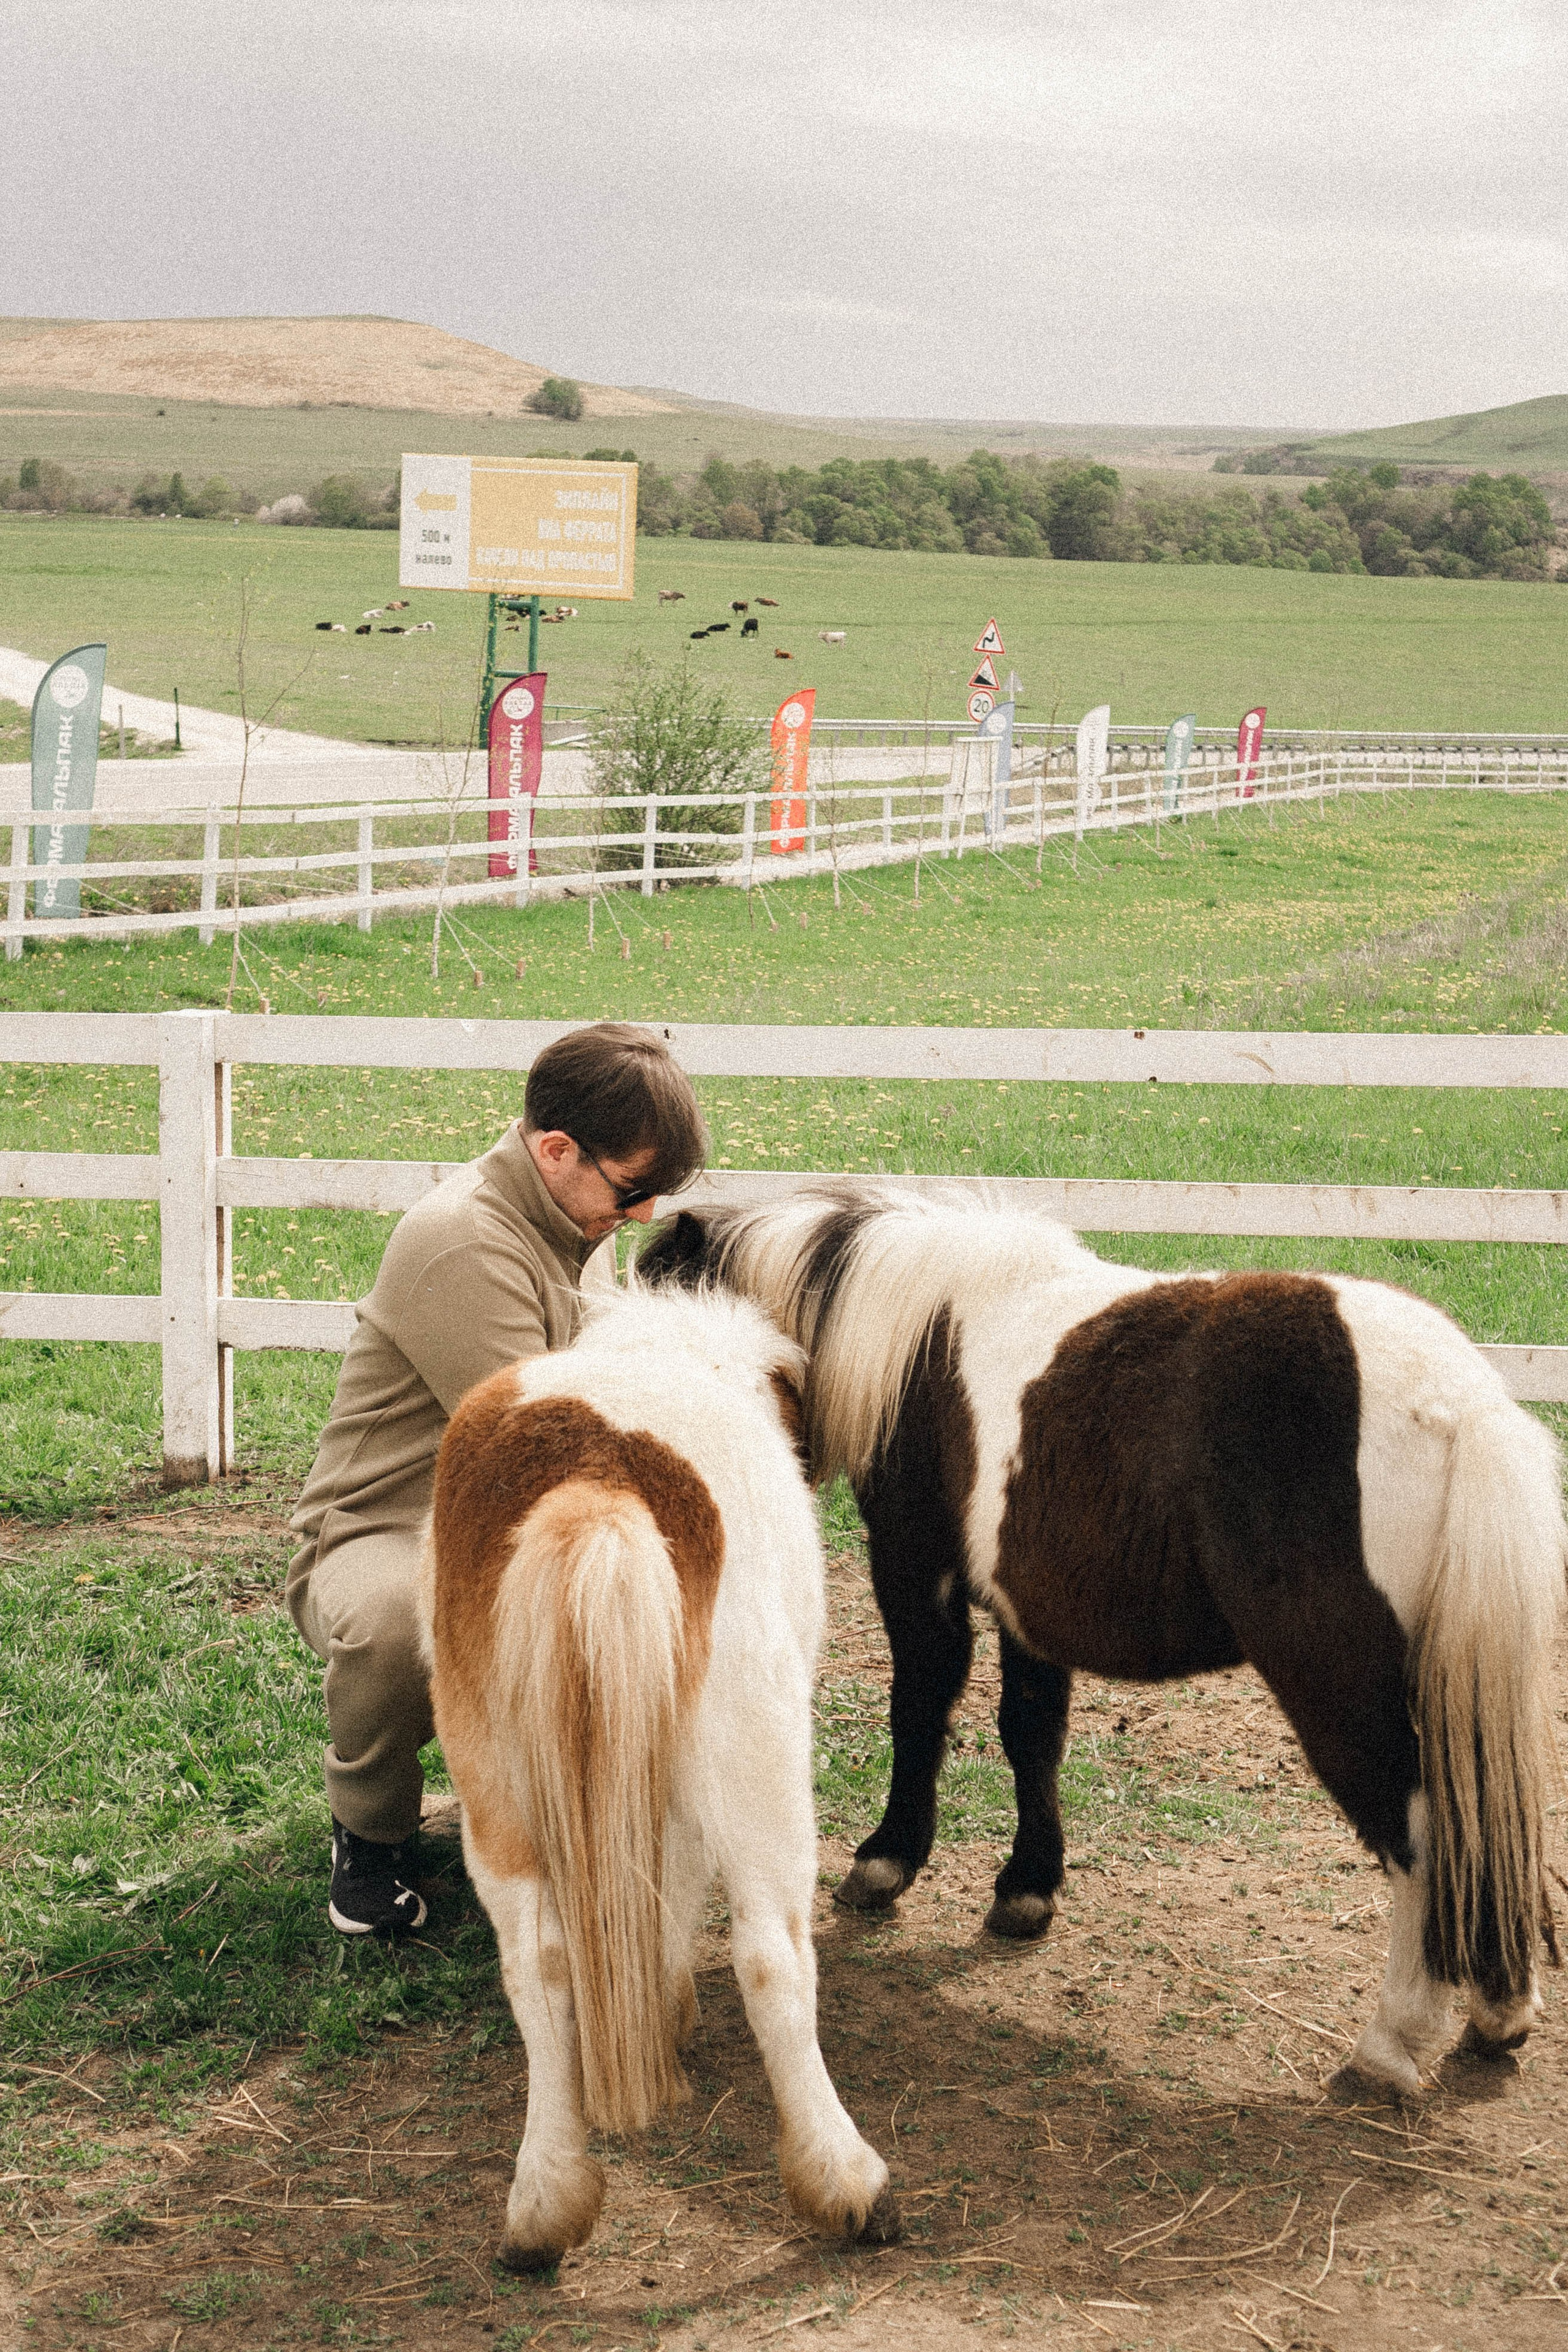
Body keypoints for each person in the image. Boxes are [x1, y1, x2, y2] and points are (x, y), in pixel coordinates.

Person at [286, 1022, 708, 1936]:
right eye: (633, 1190)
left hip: (510, 1509)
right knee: (402, 1623)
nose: (641, 1218)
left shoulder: (560, 1217)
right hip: (390, 1526)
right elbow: (543, 1447)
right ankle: (369, 1834)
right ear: (556, 1150)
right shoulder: (464, 1242)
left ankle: (575, 1811)